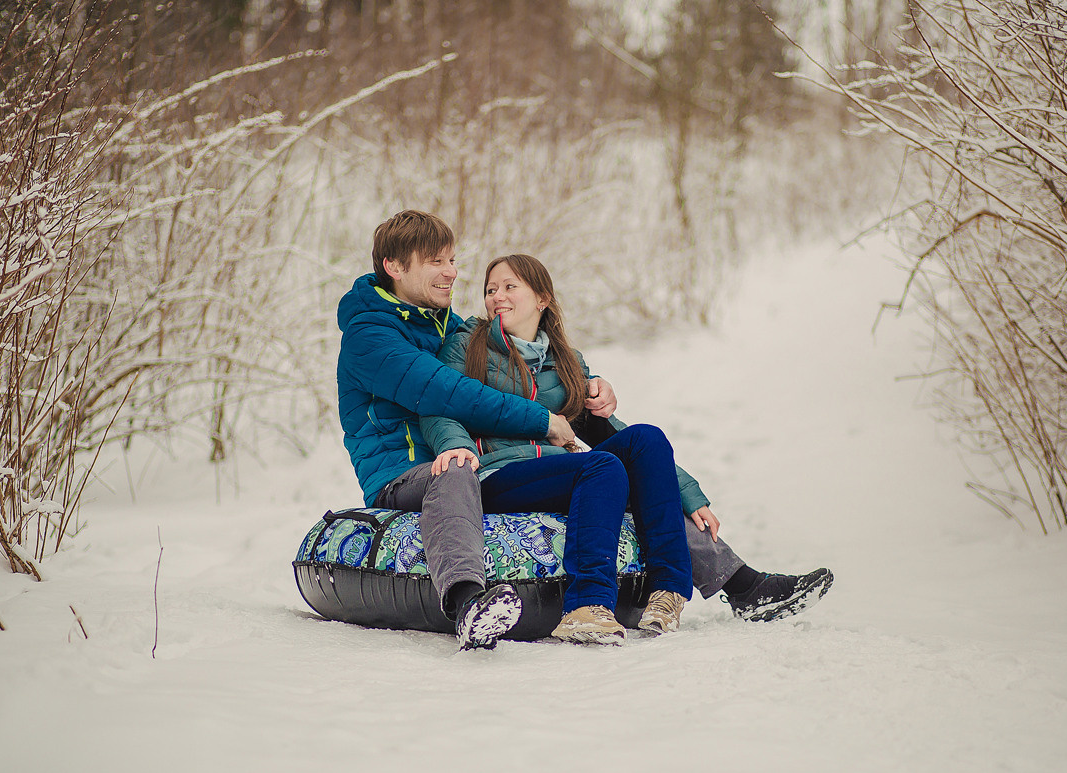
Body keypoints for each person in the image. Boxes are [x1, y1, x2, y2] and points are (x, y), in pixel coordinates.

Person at [336, 209, 832, 651]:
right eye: (438, 263)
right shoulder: (388, 336)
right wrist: (530, 426)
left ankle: (725, 585)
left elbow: (601, 425)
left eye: (453, 260)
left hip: (534, 464)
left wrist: (686, 490)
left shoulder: (459, 327)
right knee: (527, 470)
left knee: (640, 447)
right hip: (419, 470)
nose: (454, 274)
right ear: (395, 268)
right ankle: (472, 600)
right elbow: (445, 399)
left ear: (543, 299)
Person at [421, 254, 697, 644]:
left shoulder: (566, 360)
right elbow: (440, 406)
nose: (497, 296)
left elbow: (611, 430)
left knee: (646, 438)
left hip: (554, 472)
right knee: (601, 467)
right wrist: (455, 446)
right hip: (498, 472)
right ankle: (586, 605)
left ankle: (667, 591)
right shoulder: (467, 346)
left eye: (509, 287)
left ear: (542, 299)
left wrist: (689, 493)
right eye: (490, 289)